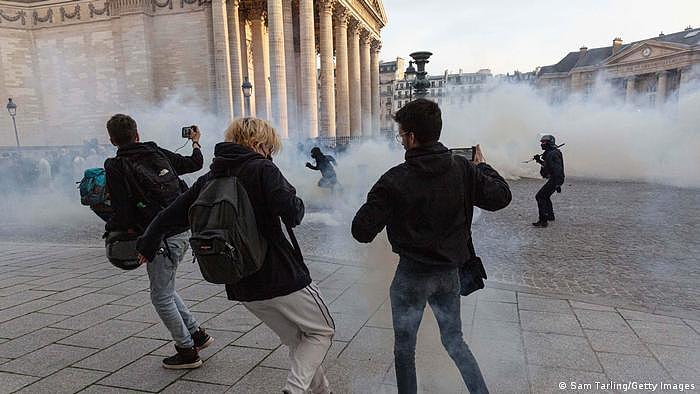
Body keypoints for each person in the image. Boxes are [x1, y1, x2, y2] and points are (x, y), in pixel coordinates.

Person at [136, 117, 335, 394]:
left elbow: (170, 215)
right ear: (257, 144)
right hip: (281, 275)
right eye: (269, 148)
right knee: (322, 331)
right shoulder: (263, 169)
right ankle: (294, 389)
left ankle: (321, 390)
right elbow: (293, 212)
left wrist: (147, 244)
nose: (270, 153)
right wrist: (283, 183)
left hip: (241, 282)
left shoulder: (211, 176)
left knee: (298, 341)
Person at [351, 99, 511, 394]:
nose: (401, 141)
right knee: (455, 341)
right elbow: (501, 196)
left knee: (404, 349)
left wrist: (382, 205)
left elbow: (361, 231)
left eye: (401, 135)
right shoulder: (463, 170)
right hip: (449, 275)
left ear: (411, 137)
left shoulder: (394, 180)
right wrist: (483, 166)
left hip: (411, 277)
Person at [104, 114, 213, 369]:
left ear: (112, 140)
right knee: (165, 288)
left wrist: (112, 231)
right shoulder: (155, 151)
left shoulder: (115, 165)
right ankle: (197, 334)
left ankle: (187, 351)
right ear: (137, 134)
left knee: (161, 297)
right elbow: (195, 164)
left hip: (160, 236)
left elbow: (123, 213)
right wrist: (196, 142)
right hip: (183, 227)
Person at [532, 134, 565, 228]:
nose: (542, 144)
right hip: (555, 178)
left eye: (544, 142)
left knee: (540, 196)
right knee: (545, 196)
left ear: (550, 143)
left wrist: (558, 184)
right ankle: (550, 216)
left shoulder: (553, 153)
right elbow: (548, 166)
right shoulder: (550, 153)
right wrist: (538, 160)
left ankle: (543, 220)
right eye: (541, 142)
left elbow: (558, 169)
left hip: (556, 179)